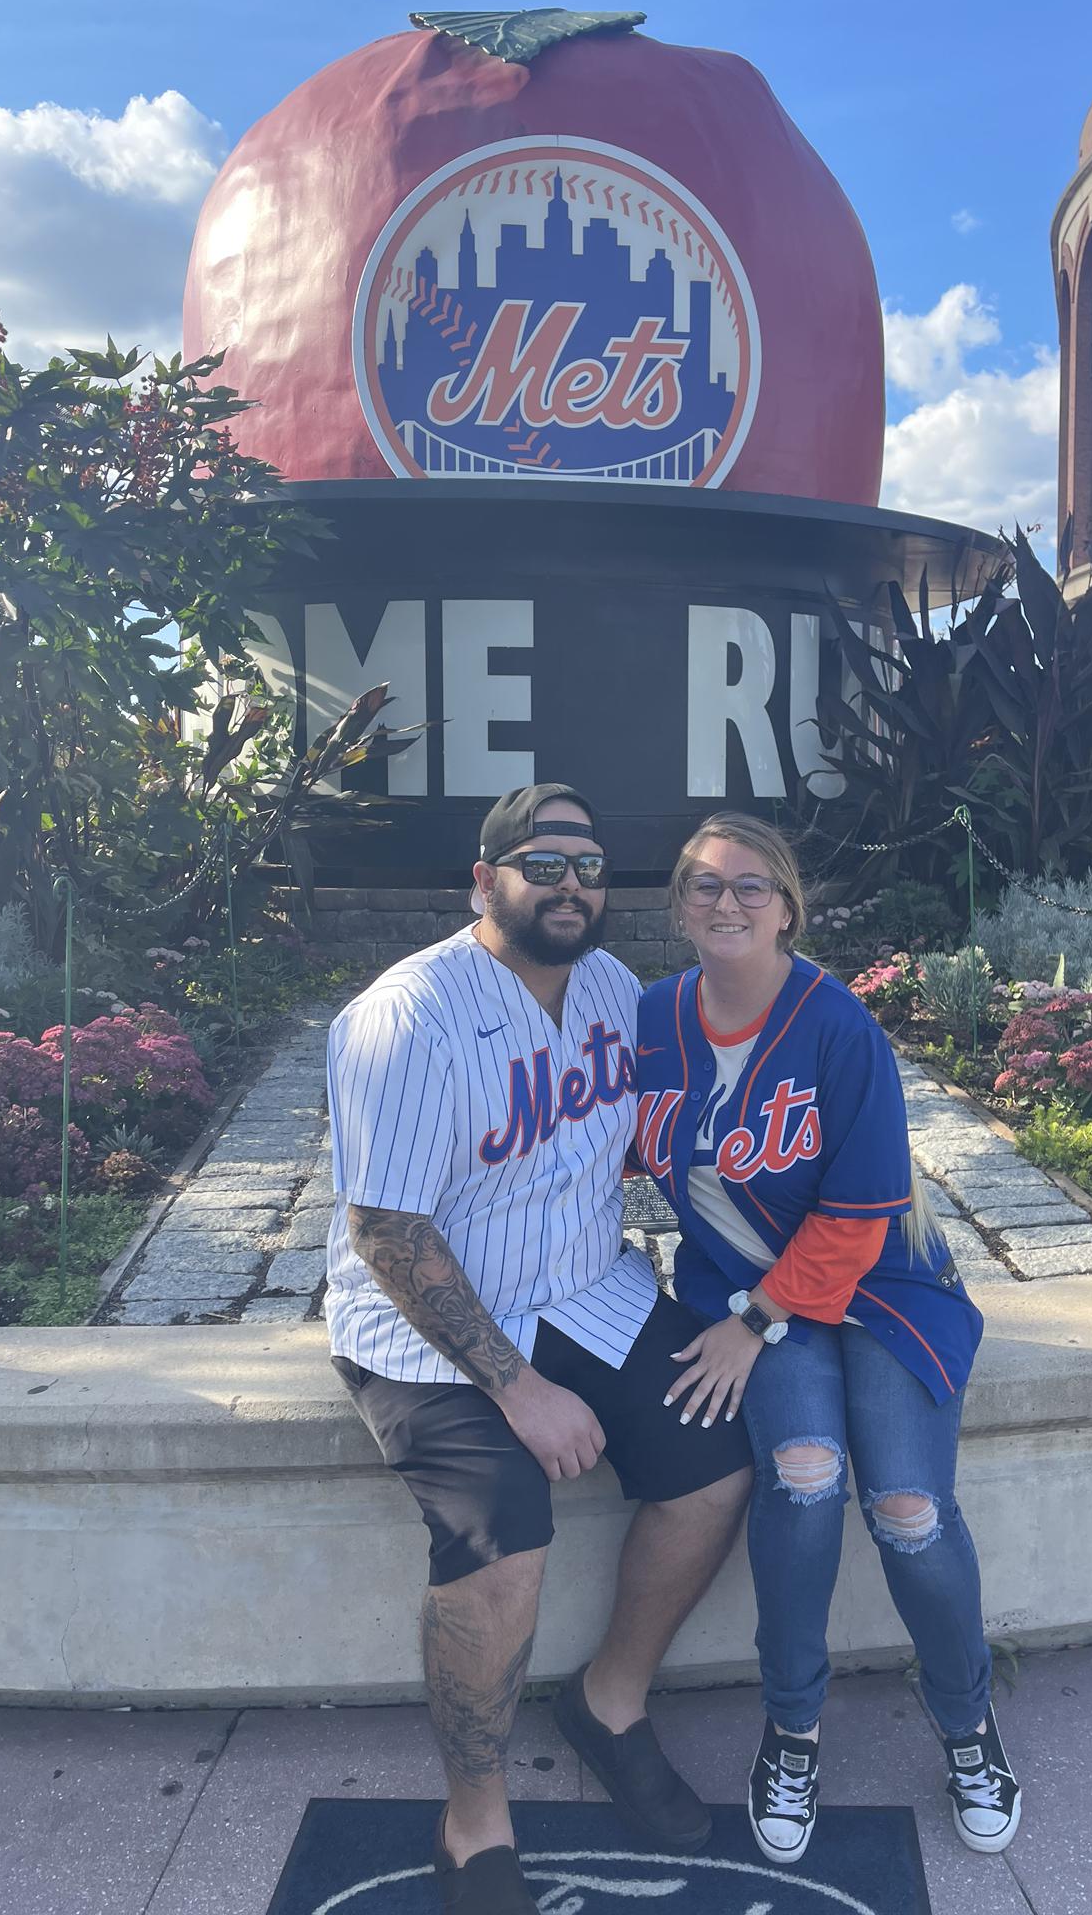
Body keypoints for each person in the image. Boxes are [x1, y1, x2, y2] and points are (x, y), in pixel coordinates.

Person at [325, 783, 753, 1915]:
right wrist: (515, 1386)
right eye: (542, 860)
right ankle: (475, 1817)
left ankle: (608, 1701)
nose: (571, 884)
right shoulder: (406, 1014)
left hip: (585, 1289)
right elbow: (387, 1230)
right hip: (433, 1328)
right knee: (504, 1544)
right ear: (485, 879)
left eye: (590, 865)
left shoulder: (612, 988)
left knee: (717, 1460)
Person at [636, 814, 1020, 1869]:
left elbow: (855, 1219)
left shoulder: (836, 1023)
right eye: (705, 886)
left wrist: (751, 1324)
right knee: (803, 1474)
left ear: (790, 907)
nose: (727, 904)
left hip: (884, 1287)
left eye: (751, 887)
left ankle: (967, 1721)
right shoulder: (650, 1020)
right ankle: (792, 1730)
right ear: (678, 906)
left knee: (905, 1506)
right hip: (752, 1293)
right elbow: (600, 1148)